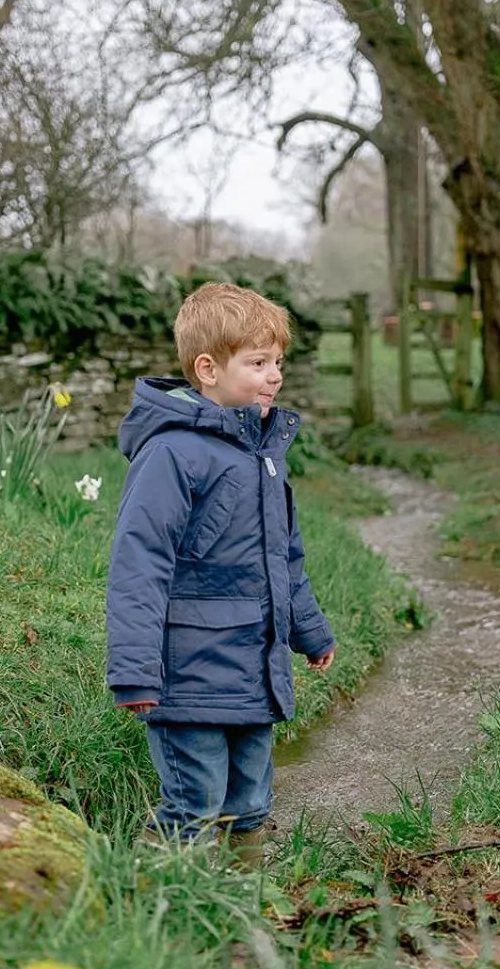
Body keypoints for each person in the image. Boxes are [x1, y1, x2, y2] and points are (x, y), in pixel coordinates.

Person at [106, 281, 335, 862]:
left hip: (255, 669)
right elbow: (140, 563)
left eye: (277, 362)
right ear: (207, 368)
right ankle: (162, 901)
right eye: (257, 363)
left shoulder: (263, 457)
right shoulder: (173, 453)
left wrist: (310, 631)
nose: (274, 375)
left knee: (252, 801)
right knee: (194, 801)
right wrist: (135, 672)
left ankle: (247, 895)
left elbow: (285, 557)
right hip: (188, 672)